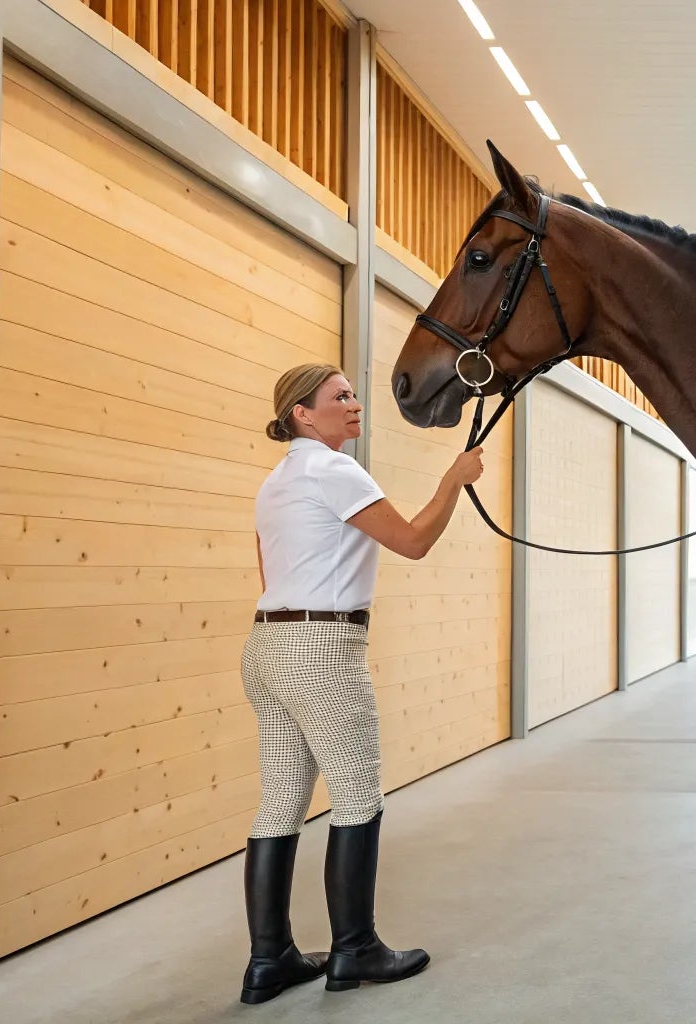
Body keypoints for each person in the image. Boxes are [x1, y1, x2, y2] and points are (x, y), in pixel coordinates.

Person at [238, 362, 484, 1003]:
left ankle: (269, 961)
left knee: (280, 801)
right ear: (302, 413)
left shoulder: (276, 481)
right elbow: (413, 541)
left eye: (352, 394)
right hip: (323, 649)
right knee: (356, 796)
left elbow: (269, 570)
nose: (354, 404)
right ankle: (355, 950)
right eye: (339, 396)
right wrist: (454, 480)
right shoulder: (335, 470)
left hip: (267, 646)